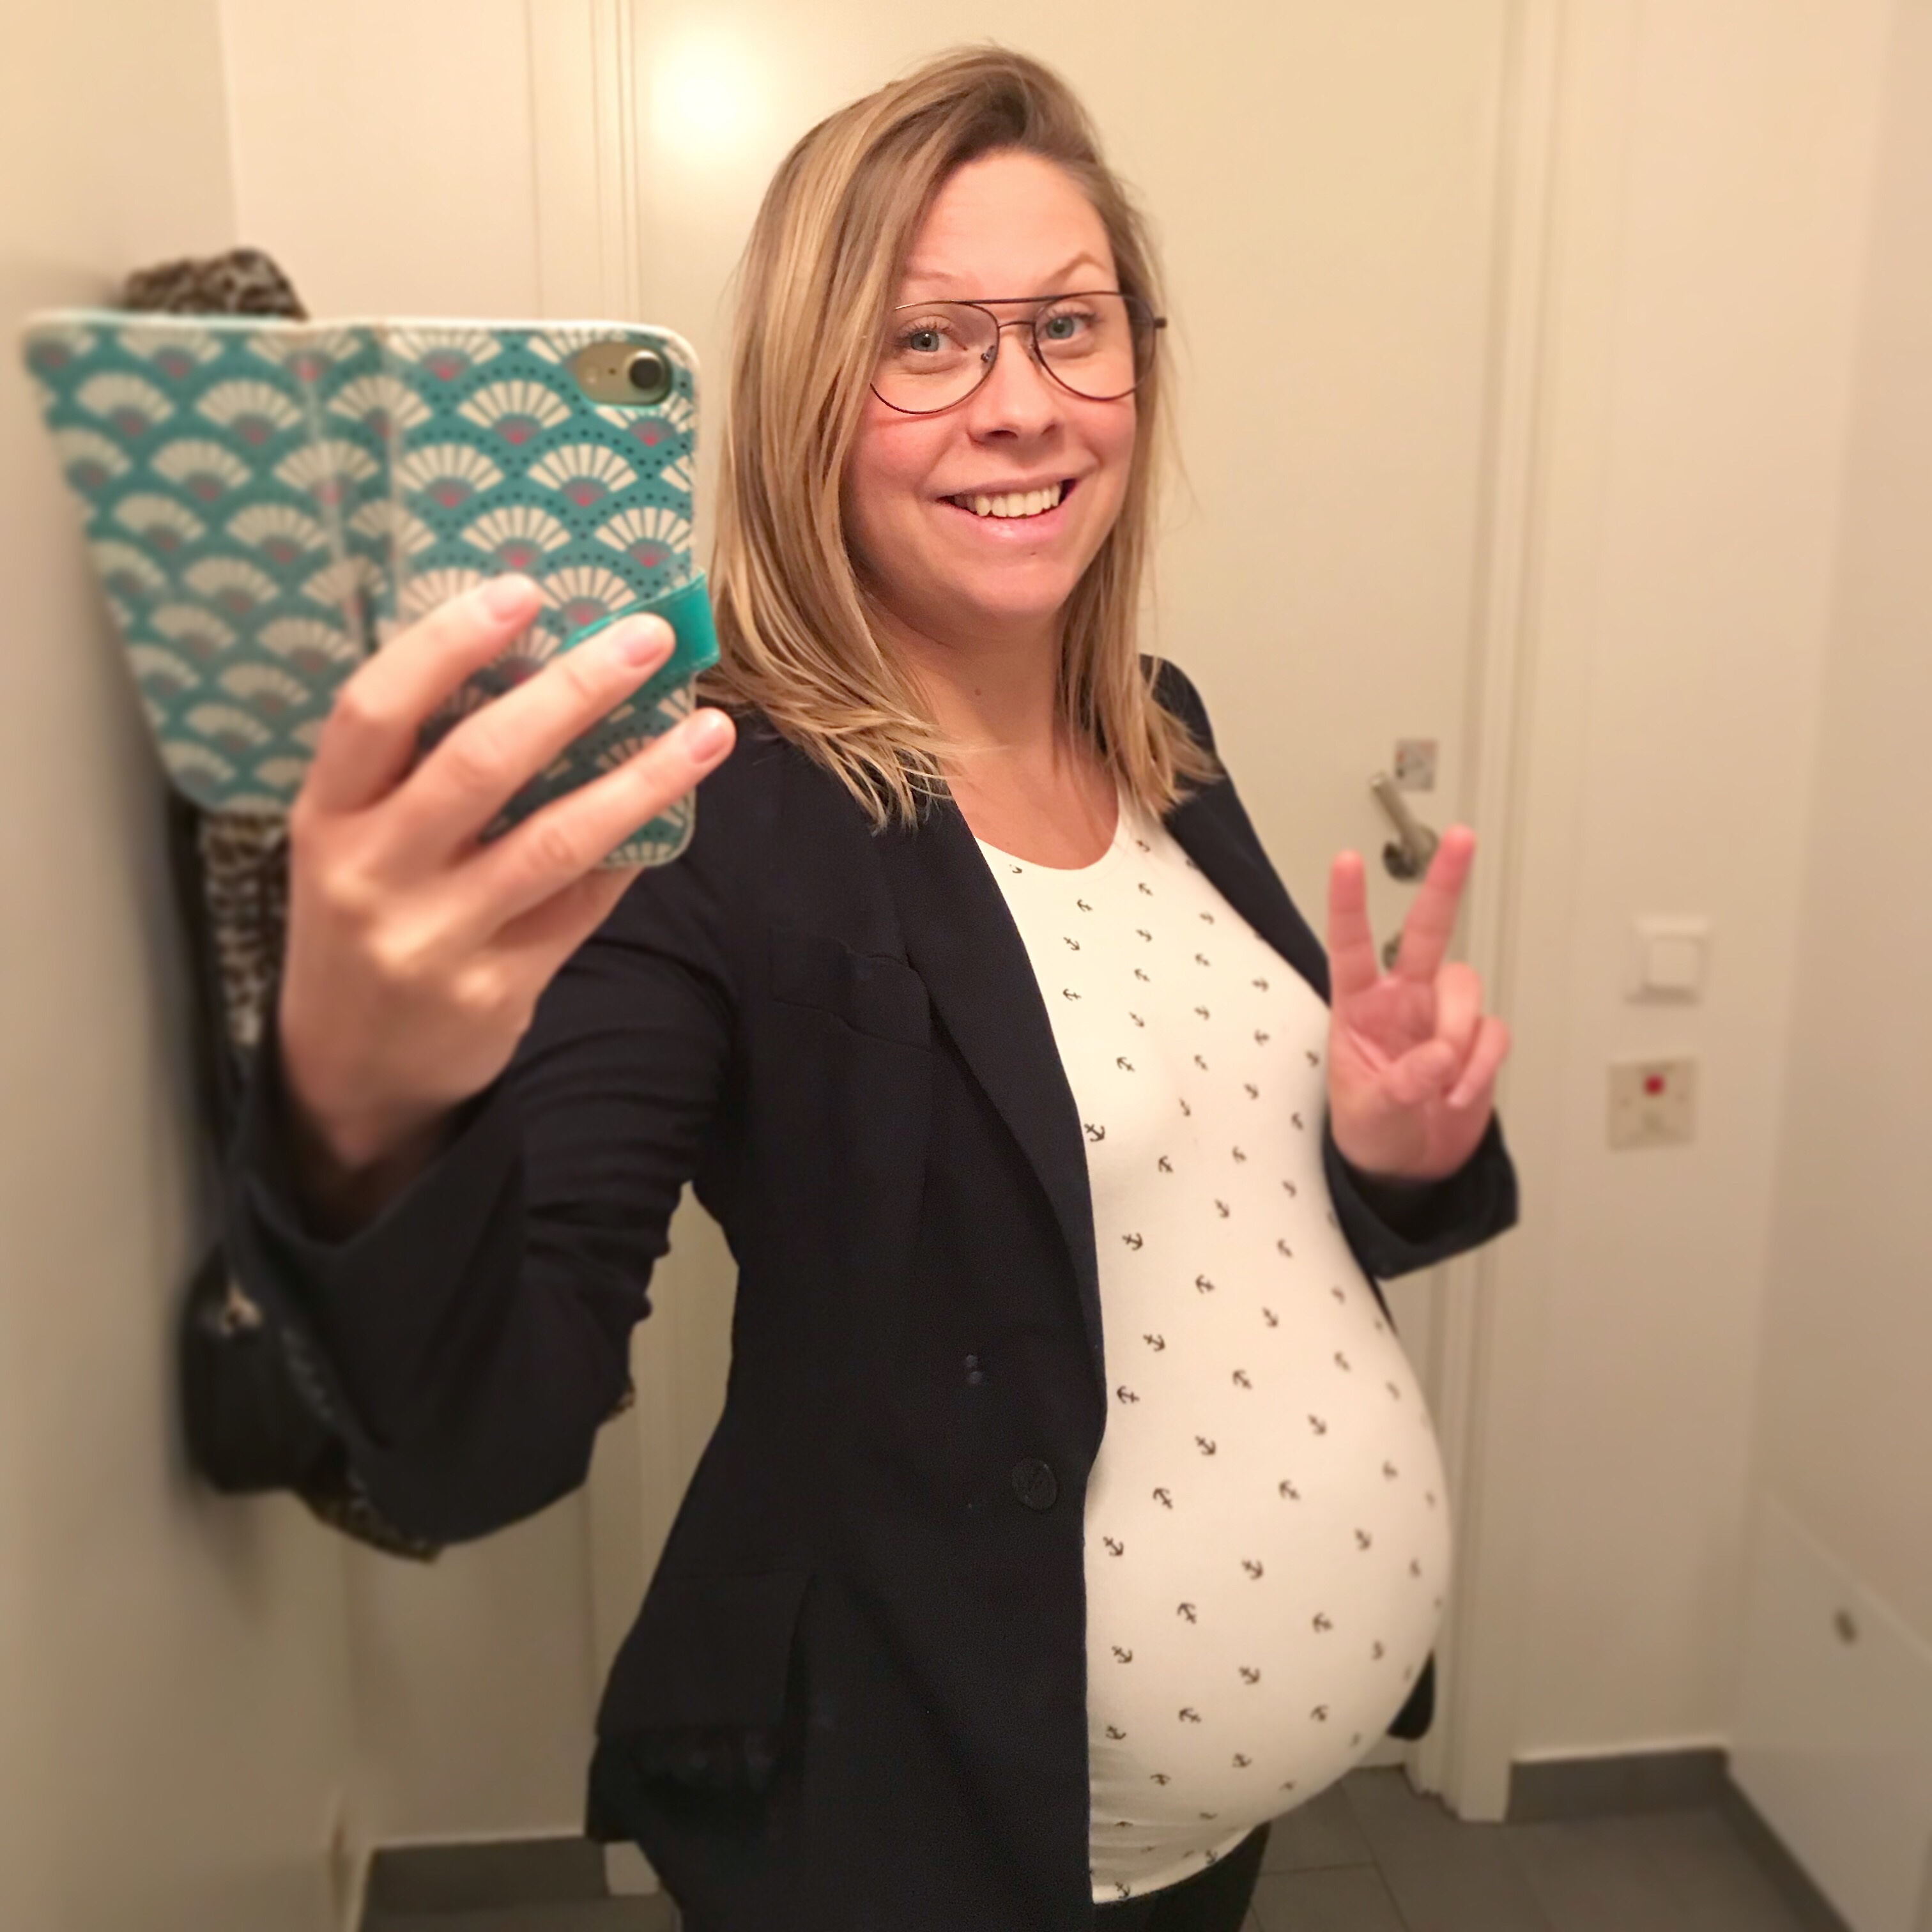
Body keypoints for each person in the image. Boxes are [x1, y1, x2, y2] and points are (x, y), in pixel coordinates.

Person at [227, 45, 1517, 1932]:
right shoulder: (714, 811)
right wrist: (361, 1101)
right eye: (928, 342)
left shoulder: (1161, 728)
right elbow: (482, 1428)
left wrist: (1388, 1149)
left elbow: (1190, 1220)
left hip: (1216, 1844)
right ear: (810, 402)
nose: (1023, 403)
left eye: (1070, 324)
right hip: (942, 1830)